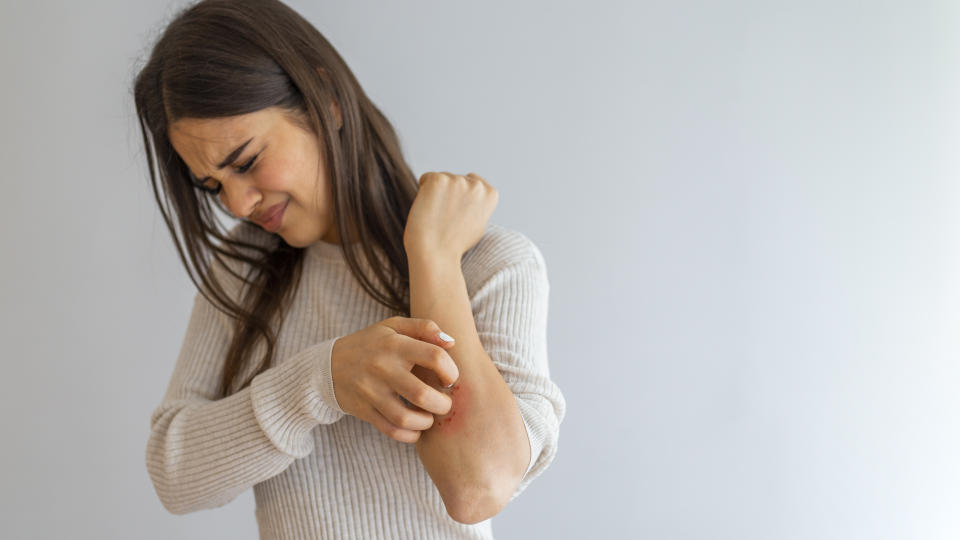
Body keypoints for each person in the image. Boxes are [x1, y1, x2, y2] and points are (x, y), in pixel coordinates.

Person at [133, 0, 566, 538]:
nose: (239, 204)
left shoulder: (490, 265)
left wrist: (431, 258)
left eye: (245, 162)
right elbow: (175, 476)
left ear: (327, 103)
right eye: (213, 185)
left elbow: (475, 487)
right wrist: (323, 380)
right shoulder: (243, 275)